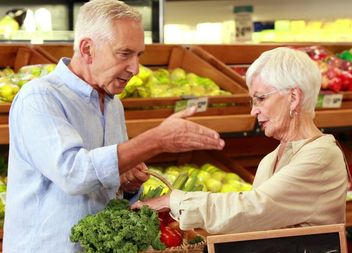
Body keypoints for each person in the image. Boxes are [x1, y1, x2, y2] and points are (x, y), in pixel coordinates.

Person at [3, 1, 224, 252]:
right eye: (125, 53)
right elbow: (75, 174)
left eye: (139, 55)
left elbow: (108, 188)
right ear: (87, 49)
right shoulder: (40, 98)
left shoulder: (112, 104)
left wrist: (128, 185)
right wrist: (156, 141)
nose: (136, 68)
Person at [133, 47, 347, 234]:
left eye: (261, 98)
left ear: (293, 98)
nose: (253, 110)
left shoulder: (321, 157)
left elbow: (254, 208)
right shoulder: (271, 159)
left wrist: (174, 200)